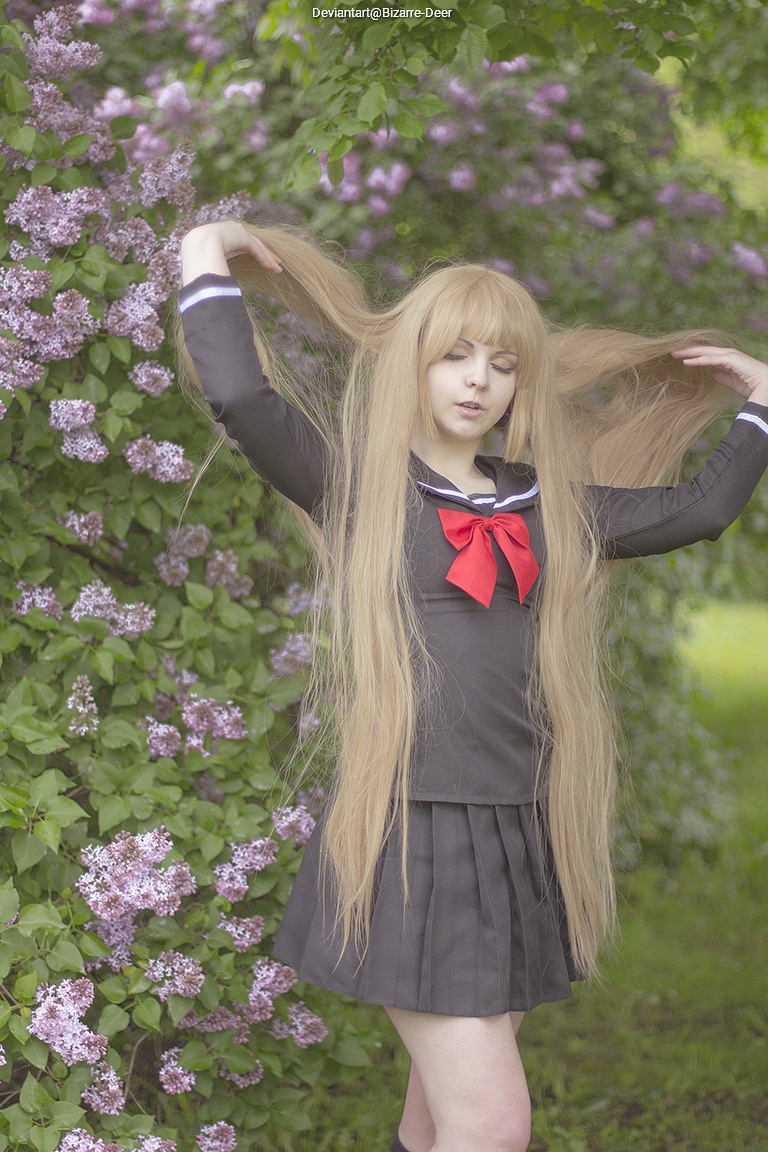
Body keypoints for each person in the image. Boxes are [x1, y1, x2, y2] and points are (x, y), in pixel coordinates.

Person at [177, 220, 768, 1152]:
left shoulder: (549, 505)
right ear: (413, 362)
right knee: (490, 1124)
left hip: (515, 830)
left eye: (501, 361)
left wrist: (762, 399)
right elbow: (245, 398)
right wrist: (206, 246)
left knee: (438, 1119)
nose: (477, 378)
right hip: (411, 830)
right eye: (454, 354)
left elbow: (699, 509)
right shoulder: (360, 487)